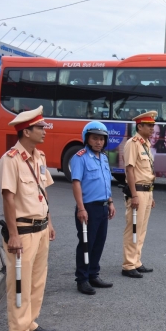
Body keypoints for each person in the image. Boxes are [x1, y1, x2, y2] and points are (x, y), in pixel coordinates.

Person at [0, 105, 57, 331]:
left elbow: (44, 194)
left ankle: (29, 322)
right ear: (26, 131)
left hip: (40, 228)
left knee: (37, 281)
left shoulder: (39, 157)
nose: (44, 130)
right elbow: (8, 199)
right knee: (19, 282)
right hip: (22, 231)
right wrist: (13, 234)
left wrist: (49, 223)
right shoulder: (10, 160)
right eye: (40, 127)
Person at [70, 121, 116, 295]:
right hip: (88, 208)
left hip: (103, 207)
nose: (99, 142)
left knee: (99, 242)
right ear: (87, 139)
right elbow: (76, 183)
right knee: (86, 244)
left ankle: (93, 274)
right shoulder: (80, 157)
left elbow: (106, 183)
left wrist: (110, 202)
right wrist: (81, 208)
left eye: (102, 139)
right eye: (95, 138)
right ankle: (82, 279)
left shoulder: (103, 157)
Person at [121, 111, 157, 278]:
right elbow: (129, 170)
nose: (152, 128)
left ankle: (136, 261)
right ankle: (128, 264)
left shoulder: (146, 144)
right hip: (137, 192)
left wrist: (151, 195)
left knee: (141, 229)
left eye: (152, 125)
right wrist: (134, 195)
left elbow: (146, 171)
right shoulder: (132, 143)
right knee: (133, 228)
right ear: (139, 126)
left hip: (146, 192)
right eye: (149, 125)